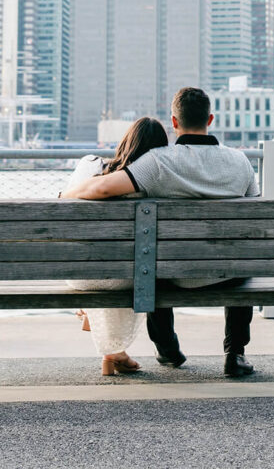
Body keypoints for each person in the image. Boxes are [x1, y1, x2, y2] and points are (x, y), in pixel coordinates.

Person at [64, 87, 260, 378]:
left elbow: (103, 188)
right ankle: (235, 354)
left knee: (152, 259)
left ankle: (167, 349)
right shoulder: (240, 162)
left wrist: (65, 193)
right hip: (225, 271)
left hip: (176, 273)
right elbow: (254, 217)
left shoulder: (158, 162)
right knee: (239, 259)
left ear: (174, 122)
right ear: (210, 119)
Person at [60, 117, 168, 376]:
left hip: (77, 274)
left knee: (103, 260)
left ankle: (113, 354)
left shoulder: (89, 166)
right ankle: (113, 354)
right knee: (131, 267)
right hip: (126, 275)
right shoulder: (154, 185)